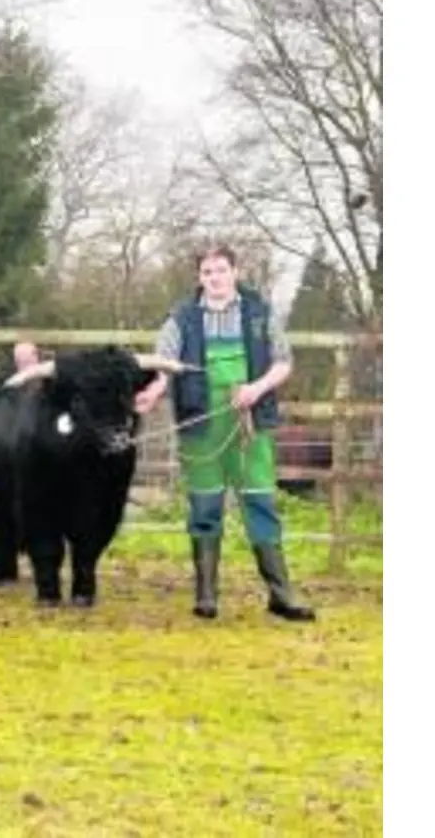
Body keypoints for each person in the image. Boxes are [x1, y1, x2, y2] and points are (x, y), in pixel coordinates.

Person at [136, 243, 316, 623]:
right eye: (206, 272)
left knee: (259, 502)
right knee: (205, 506)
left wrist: (256, 389)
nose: (214, 278)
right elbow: (165, 366)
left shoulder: (258, 314)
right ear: (198, 277)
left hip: (251, 424)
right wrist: (153, 391)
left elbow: (284, 363)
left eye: (220, 270)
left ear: (235, 272)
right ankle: (206, 596)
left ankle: (282, 595)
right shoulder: (181, 319)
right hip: (201, 424)